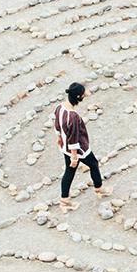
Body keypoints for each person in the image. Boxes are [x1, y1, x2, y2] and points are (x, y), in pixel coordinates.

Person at [53, 82, 108, 212]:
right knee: (93, 164)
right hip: (79, 150)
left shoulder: (59, 107)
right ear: (78, 97)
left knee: (69, 172)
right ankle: (99, 189)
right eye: (83, 95)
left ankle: (64, 201)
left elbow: (57, 124)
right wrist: (74, 156)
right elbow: (74, 137)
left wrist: (59, 137)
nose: (84, 96)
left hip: (65, 147)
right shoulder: (73, 117)